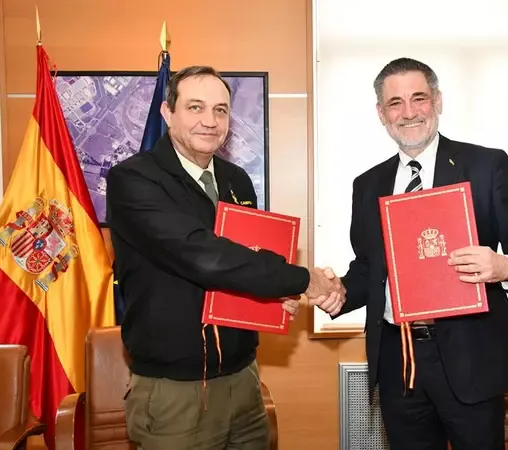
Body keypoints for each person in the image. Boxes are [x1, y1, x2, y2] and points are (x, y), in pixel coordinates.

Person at [311, 57, 508, 449]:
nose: (408, 112)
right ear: (381, 113)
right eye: (395, 103)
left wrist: (502, 266)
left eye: (418, 98)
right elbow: (370, 269)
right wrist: (338, 292)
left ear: (437, 101)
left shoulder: (486, 166)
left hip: (471, 359)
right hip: (398, 360)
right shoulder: (368, 185)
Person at [107, 65, 342, 450]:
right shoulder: (134, 180)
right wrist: (302, 280)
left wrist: (276, 296)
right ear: (167, 113)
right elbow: (204, 257)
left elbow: (246, 261)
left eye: (220, 110)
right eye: (195, 107)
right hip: (176, 392)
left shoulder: (237, 180)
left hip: (244, 380)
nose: (210, 121)